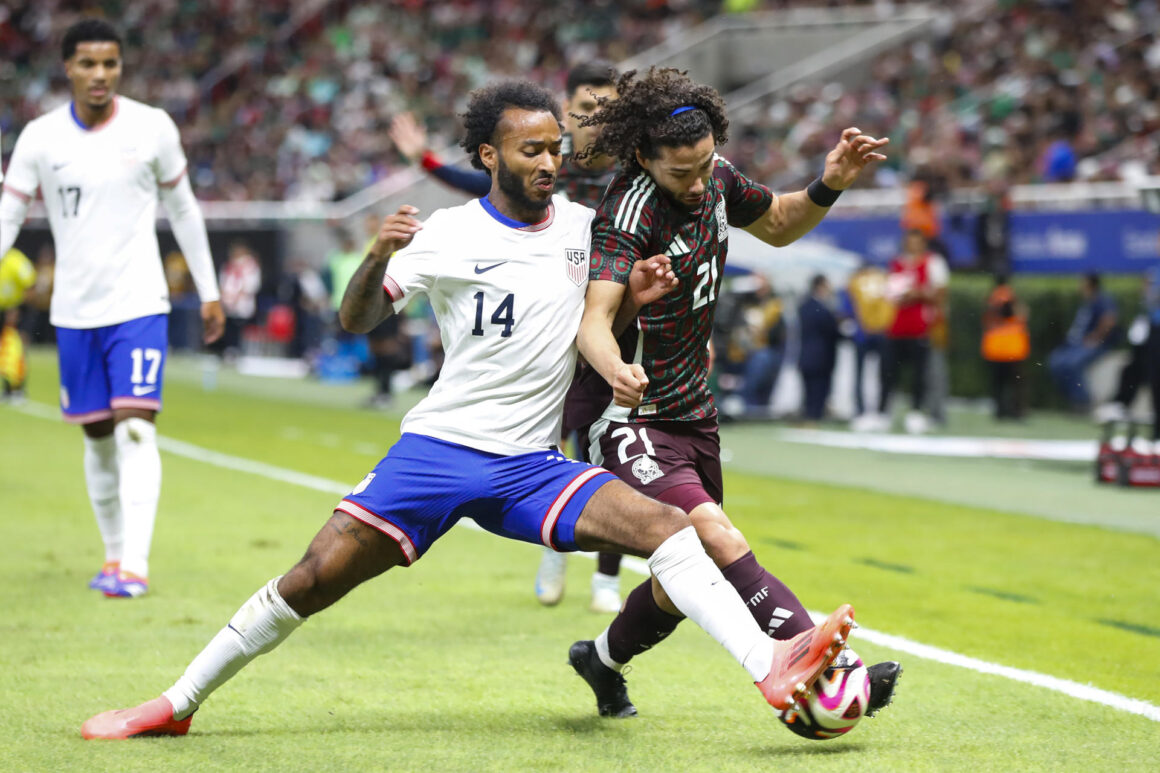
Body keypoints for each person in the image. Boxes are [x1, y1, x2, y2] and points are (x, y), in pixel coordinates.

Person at [79, 80, 856, 740]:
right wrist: (378, 257)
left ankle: (771, 667)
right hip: (439, 452)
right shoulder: (448, 233)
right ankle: (176, 702)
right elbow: (357, 319)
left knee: (669, 528)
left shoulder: (586, 229)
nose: (548, 162)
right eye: (530, 150)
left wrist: (634, 304)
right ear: (489, 155)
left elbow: (593, 322)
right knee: (312, 578)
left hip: (531, 466)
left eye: (554, 148)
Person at [564, 67, 899, 720]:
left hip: (694, 412)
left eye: (704, 164)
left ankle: (599, 659)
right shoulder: (626, 213)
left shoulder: (714, 175)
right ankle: (832, 667)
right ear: (644, 158)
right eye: (681, 173)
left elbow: (777, 223)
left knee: (682, 577)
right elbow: (593, 321)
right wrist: (615, 369)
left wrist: (830, 181)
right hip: (631, 417)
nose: (697, 183)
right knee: (712, 532)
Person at [391, 61, 627, 613]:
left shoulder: (633, 175)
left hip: (616, 326)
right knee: (556, 444)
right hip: (553, 337)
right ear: (567, 111)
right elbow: (483, 187)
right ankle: (555, 544)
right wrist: (425, 160)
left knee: (614, 452)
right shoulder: (545, 169)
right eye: (587, 108)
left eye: (608, 110)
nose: (597, 119)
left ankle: (607, 580)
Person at [0, 19, 224, 599]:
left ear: (120, 67)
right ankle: (112, 554)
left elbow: (185, 209)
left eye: (110, 63)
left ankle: (135, 566)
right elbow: (9, 214)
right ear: (68, 68)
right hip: (74, 311)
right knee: (98, 438)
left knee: (135, 432)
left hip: (138, 303)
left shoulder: (152, 127)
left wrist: (209, 290)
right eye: (88, 64)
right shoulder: (40, 138)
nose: (100, 74)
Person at [881, 229, 947, 434]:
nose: (913, 247)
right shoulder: (896, 263)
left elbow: (940, 295)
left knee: (921, 374)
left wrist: (916, 294)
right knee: (889, 372)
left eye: (917, 243)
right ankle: (884, 412)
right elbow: (889, 293)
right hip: (896, 328)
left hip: (921, 328)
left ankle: (918, 413)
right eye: (910, 242)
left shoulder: (933, 262)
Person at [1047, 273, 1119, 411]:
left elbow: (1109, 320)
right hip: (1075, 344)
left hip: (1093, 344)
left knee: (1072, 364)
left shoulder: (1103, 299)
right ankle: (1070, 399)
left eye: (1082, 282)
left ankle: (1083, 401)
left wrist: (1095, 337)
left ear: (1090, 284)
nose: (1079, 285)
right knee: (1055, 361)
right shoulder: (1086, 301)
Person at [843, 260, 894, 431]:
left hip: (863, 334)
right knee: (883, 374)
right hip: (880, 332)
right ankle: (880, 412)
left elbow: (847, 310)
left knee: (862, 374)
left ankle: (862, 412)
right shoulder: (884, 279)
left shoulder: (854, 282)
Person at [981, 275, 1030, 421]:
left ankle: (1000, 411)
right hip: (1014, 347)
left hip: (996, 348)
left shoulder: (991, 298)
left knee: (998, 383)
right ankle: (1017, 411)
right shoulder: (1012, 296)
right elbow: (1021, 315)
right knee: (1016, 383)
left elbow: (987, 319)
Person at [797, 274, 840, 422]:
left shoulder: (804, 306)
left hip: (807, 355)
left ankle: (810, 416)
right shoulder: (820, 308)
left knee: (811, 392)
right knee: (817, 391)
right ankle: (813, 417)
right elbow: (831, 330)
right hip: (820, 356)